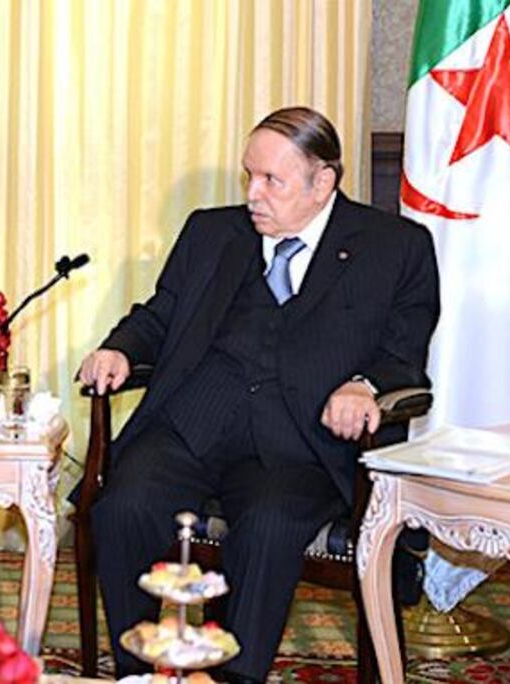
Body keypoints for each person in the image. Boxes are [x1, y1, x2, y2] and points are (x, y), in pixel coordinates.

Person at [77, 106, 439, 683]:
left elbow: (403, 353)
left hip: (299, 444)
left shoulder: (394, 246)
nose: (252, 194)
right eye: (249, 175)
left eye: (272, 180)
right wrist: (119, 348)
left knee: (269, 526)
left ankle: (231, 679)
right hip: (192, 423)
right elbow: (161, 315)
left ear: (323, 182)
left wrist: (364, 385)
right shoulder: (211, 232)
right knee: (124, 506)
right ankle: (142, 671)